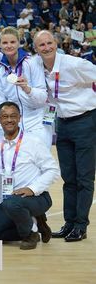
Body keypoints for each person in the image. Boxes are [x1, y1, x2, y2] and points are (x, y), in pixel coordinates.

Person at [34, 30, 96, 242]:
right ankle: (69, 223)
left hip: (86, 121)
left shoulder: (74, 64)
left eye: (49, 43)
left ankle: (81, 225)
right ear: (36, 49)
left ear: (56, 43)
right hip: (63, 124)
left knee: (84, 178)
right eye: (41, 45)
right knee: (68, 178)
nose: (46, 47)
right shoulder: (39, 68)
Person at [0, 101, 60, 249]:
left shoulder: (33, 142)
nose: (9, 120)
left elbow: (53, 170)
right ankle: (37, 224)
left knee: (13, 203)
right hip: (9, 200)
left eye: (13, 116)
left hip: (37, 198)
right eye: (4, 116)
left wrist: (32, 188)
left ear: (20, 118)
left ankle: (30, 234)